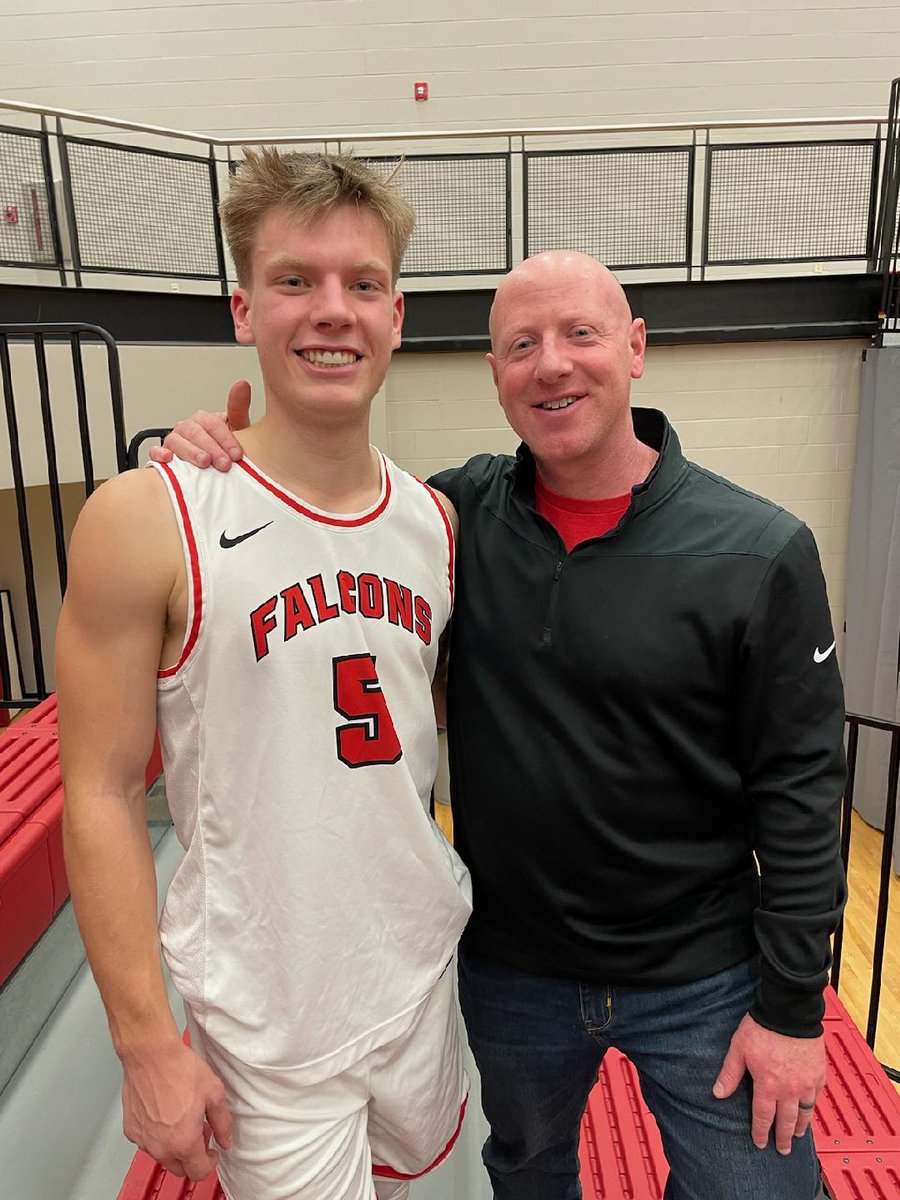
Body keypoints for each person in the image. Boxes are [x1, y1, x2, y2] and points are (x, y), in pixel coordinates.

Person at [158, 250, 846, 1200]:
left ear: (636, 348)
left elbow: (804, 793)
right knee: (525, 1177)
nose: (551, 364)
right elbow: (328, 510)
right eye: (520, 345)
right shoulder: (450, 520)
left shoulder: (759, 549)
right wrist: (215, 456)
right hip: (512, 974)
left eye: (581, 335)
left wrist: (794, 1014)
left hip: (704, 980)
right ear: (495, 373)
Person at [57, 148, 472, 1200]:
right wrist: (148, 1044)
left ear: (397, 316)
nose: (332, 311)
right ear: (245, 308)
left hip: (417, 973)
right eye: (296, 281)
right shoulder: (151, 519)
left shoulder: (437, 523)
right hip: (269, 1012)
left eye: (361, 284)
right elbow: (99, 793)